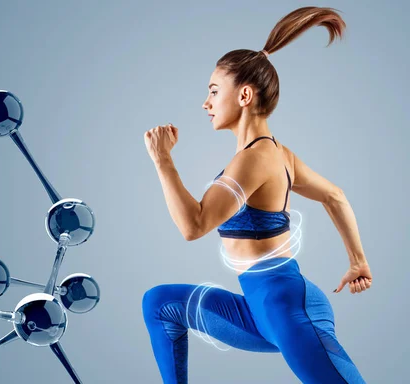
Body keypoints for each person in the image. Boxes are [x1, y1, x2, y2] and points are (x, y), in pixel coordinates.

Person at [142, 6, 372, 384]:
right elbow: (335, 196)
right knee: (160, 304)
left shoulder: (255, 160)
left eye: (214, 90)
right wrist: (358, 262)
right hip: (258, 311)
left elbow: (194, 225)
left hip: (287, 310)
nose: (206, 102)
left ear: (245, 95)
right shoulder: (276, 155)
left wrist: (163, 160)